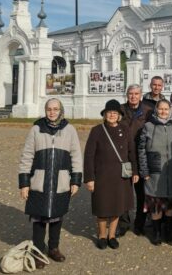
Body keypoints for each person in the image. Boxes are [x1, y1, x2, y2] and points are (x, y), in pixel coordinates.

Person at [18, 98, 82, 268]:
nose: (52, 112)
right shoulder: (36, 129)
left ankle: (53, 247)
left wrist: (75, 180)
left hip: (61, 181)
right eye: (49, 109)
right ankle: (38, 250)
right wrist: (24, 183)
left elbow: (76, 156)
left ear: (61, 110)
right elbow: (27, 156)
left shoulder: (70, 130)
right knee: (39, 218)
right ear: (45, 111)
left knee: (57, 216)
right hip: (39, 180)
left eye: (55, 109)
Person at [83, 100, 139, 250]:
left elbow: (131, 152)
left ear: (119, 115)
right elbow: (89, 156)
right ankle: (102, 235)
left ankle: (112, 235)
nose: (112, 115)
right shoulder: (97, 130)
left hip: (121, 176)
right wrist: (89, 178)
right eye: (109, 113)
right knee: (102, 207)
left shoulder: (125, 129)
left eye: (115, 113)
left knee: (117, 207)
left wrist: (135, 170)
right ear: (104, 114)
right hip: (102, 176)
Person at [138, 99, 172, 245]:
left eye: (166, 109)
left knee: (169, 203)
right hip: (154, 171)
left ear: (170, 110)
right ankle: (156, 232)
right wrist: (144, 170)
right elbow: (141, 150)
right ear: (156, 110)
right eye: (161, 109)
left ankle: (167, 229)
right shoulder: (148, 127)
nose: (163, 111)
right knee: (156, 203)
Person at [119, 84, 152, 236]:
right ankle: (124, 223)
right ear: (127, 95)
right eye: (130, 93)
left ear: (141, 95)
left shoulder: (147, 111)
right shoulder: (120, 109)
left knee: (142, 194)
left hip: (141, 156)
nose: (133, 96)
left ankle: (140, 223)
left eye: (136, 94)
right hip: (123, 156)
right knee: (124, 191)